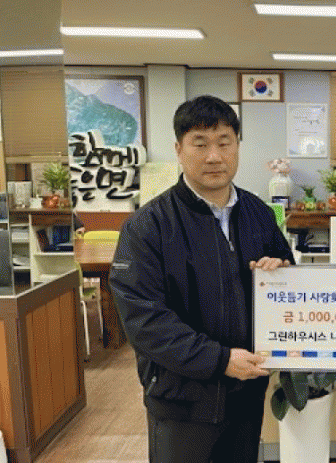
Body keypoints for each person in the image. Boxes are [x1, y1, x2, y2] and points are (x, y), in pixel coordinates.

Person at [109, 95, 294, 463]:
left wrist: (283, 272)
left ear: (237, 146)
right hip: (181, 400)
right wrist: (219, 359)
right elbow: (144, 320)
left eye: (224, 142)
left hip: (245, 395)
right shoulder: (148, 226)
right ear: (179, 149)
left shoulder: (259, 214)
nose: (214, 156)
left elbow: (287, 284)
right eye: (200, 143)